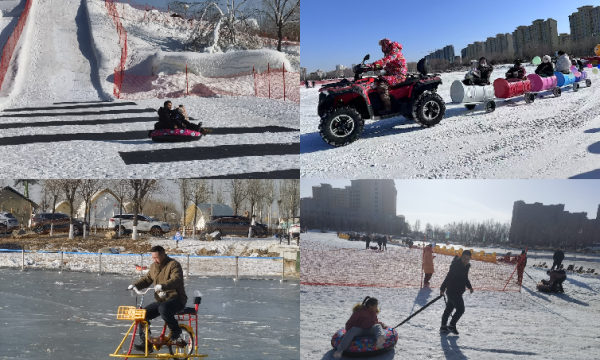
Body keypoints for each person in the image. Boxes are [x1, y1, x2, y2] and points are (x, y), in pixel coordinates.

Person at [128, 246, 187, 352]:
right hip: (161, 300)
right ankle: (146, 343)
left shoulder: (173, 265)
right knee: (142, 314)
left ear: (163, 255)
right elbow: (147, 280)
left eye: (156, 257)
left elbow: (176, 279)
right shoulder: (153, 267)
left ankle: (176, 330)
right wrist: (135, 285)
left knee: (164, 309)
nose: (154, 260)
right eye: (153, 258)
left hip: (177, 299)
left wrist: (163, 286)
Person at [368, 38, 408, 115]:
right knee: (375, 82)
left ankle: (388, 108)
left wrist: (374, 65)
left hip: (399, 75)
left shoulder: (394, 50)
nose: (381, 49)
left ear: (385, 45)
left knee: (382, 86)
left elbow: (387, 60)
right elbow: (387, 65)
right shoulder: (389, 51)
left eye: (382, 46)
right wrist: (371, 67)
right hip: (393, 74)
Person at [440, 250, 473, 335]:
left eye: (468, 259)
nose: (465, 260)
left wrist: (469, 287)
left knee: (449, 309)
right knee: (461, 309)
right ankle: (451, 325)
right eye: (464, 258)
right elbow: (449, 277)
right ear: (461, 257)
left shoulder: (465, 266)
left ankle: (443, 327)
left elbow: (465, 278)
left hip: (455, 291)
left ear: (470, 259)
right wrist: (442, 288)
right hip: (454, 291)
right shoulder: (456, 266)